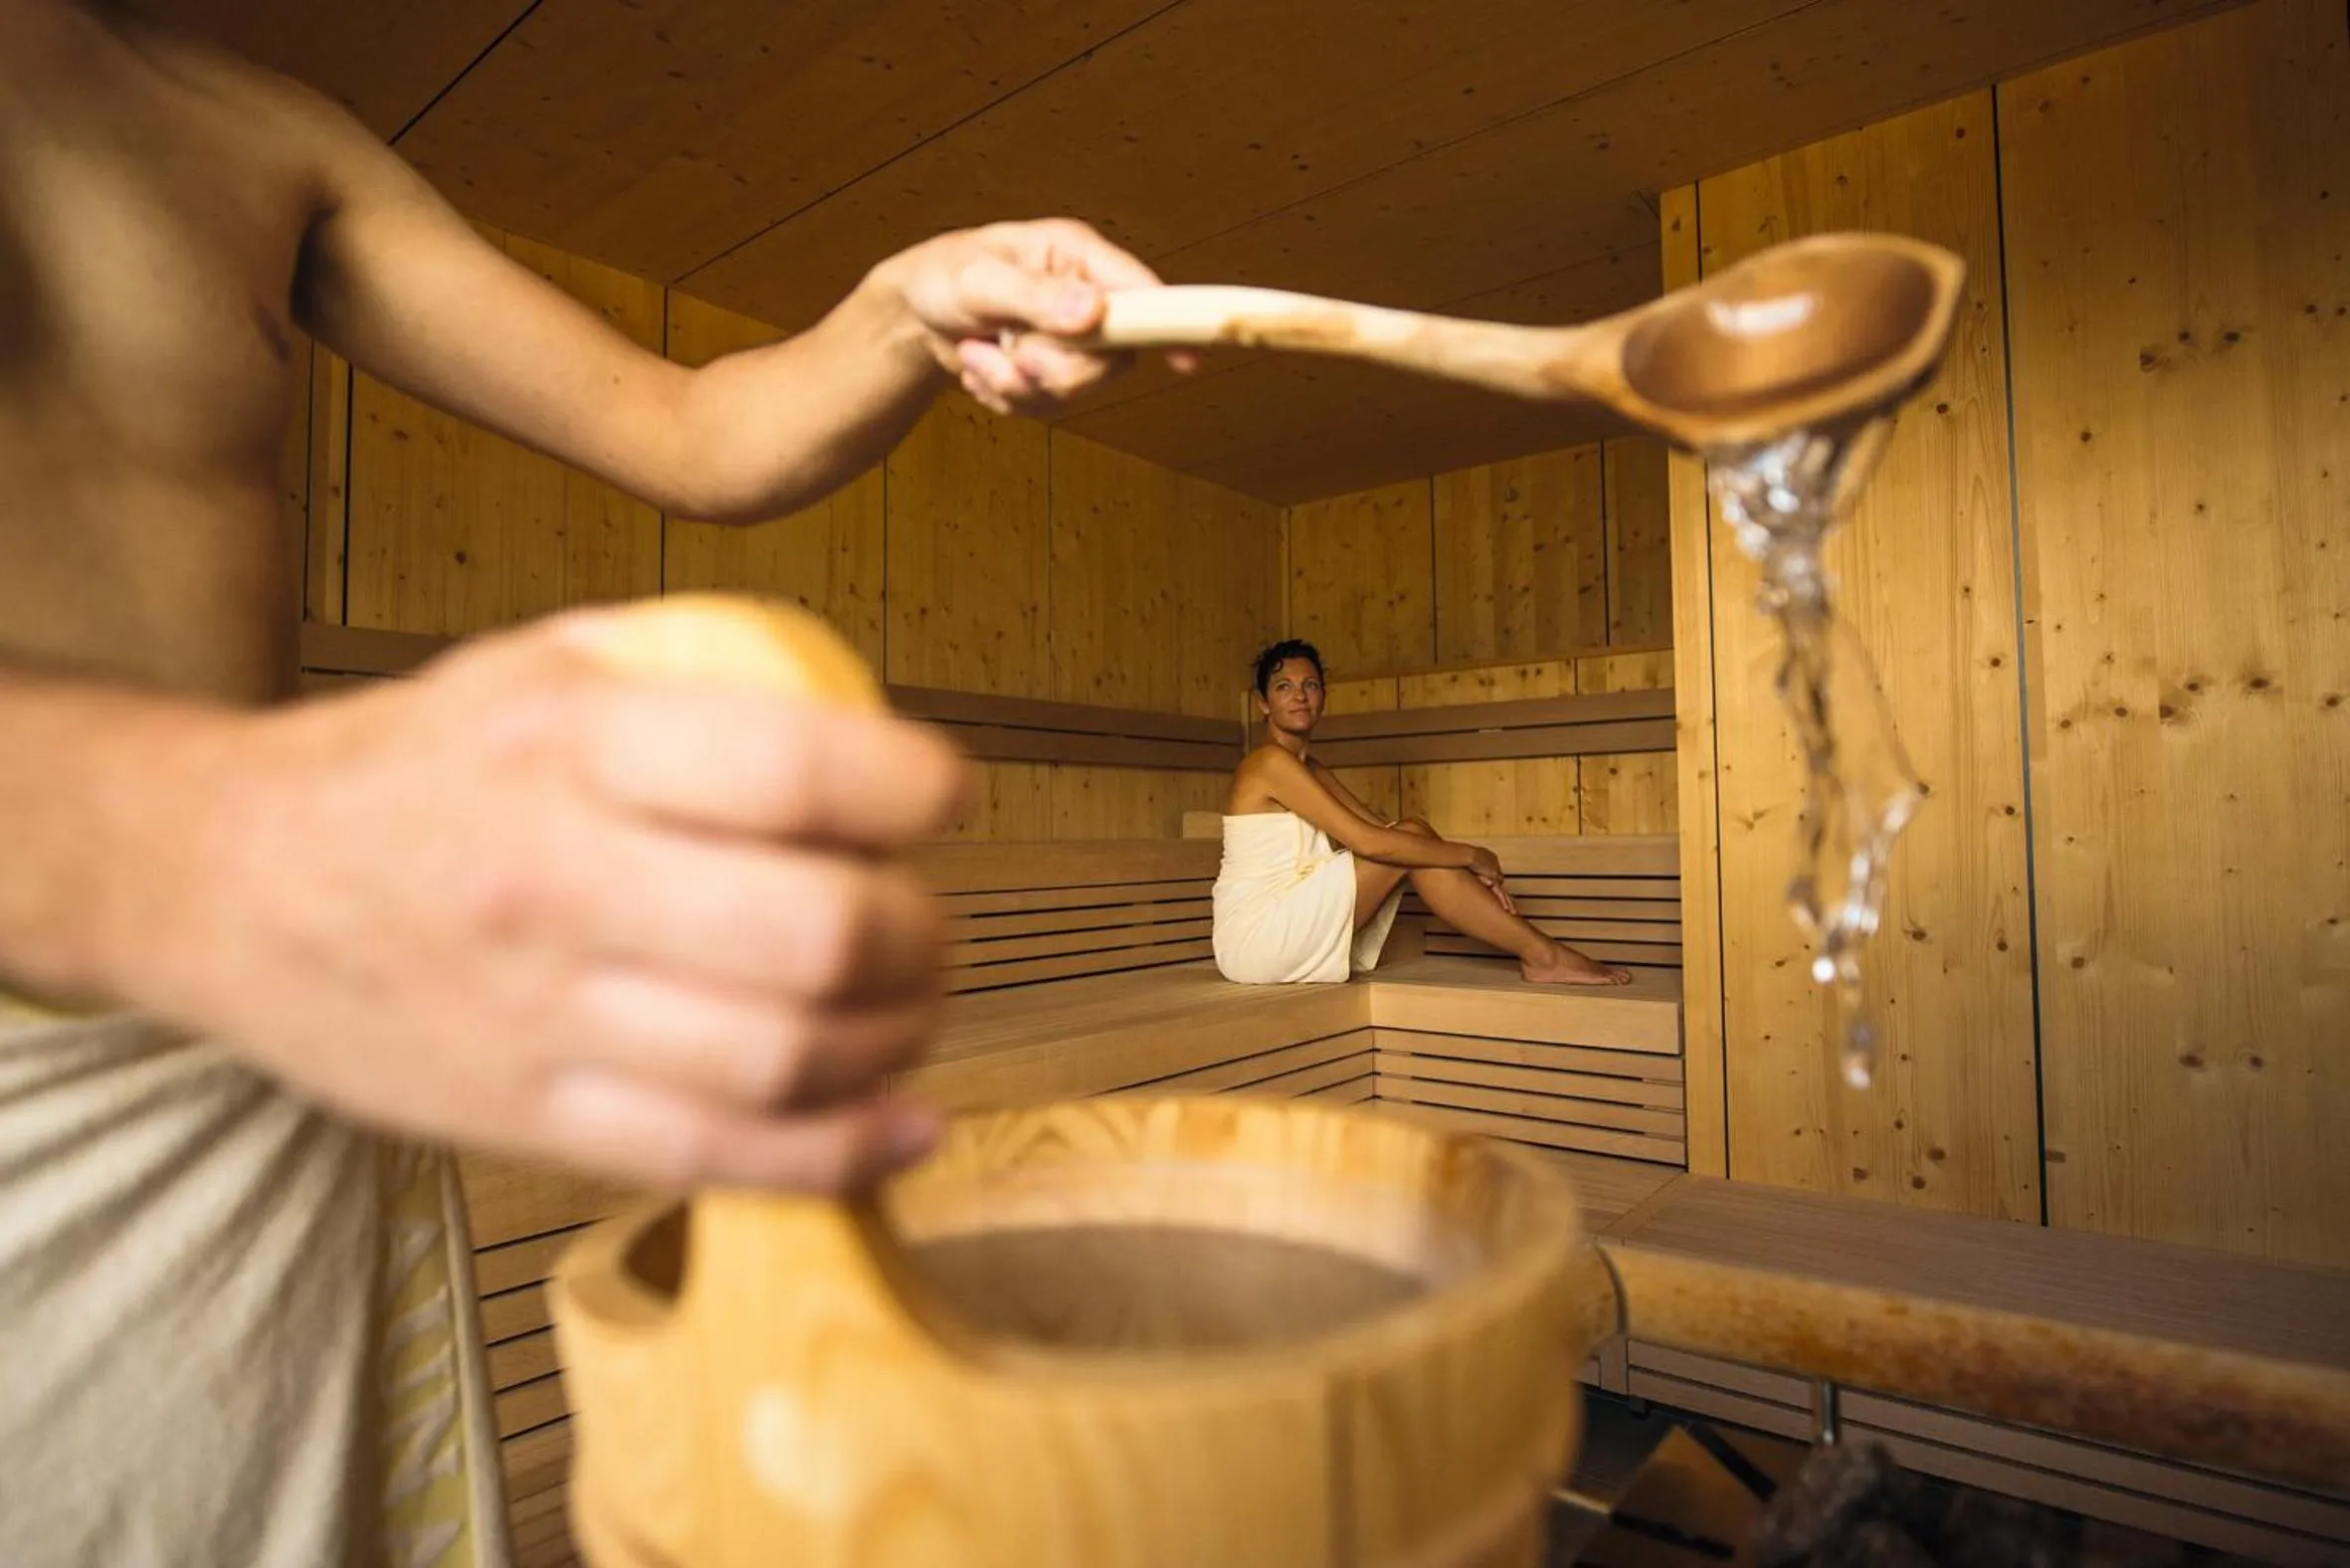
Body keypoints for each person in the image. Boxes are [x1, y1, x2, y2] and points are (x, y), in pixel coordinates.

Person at [0, 3, 1197, 1563]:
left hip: (286, 1029)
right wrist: (226, 837)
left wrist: (908, 308)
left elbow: (680, 429)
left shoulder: (252, 128)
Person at [1211, 640, 1633, 988]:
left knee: (1413, 834)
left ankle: (1541, 953)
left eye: (1311, 684)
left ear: (1323, 696)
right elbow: (1370, 844)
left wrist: (1463, 867)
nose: (1300, 695)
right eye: (1283, 686)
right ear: (1263, 703)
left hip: (1289, 916)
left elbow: (1384, 831)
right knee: (1410, 839)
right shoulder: (1268, 763)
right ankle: (1543, 953)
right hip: (1258, 935)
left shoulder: (1310, 769)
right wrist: (1472, 856)